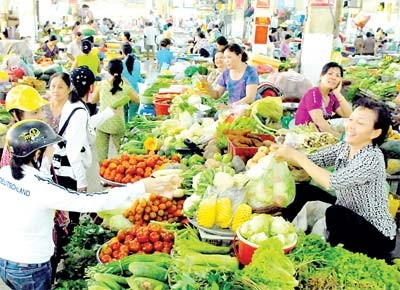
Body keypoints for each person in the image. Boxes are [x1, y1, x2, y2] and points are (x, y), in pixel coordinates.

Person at [0, 119, 181, 290]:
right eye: (49, 148)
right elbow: (89, 201)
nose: (53, 151)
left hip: (6, 260)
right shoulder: (41, 189)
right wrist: (142, 186)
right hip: (31, 267)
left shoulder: (5, 173)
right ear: (37, 153)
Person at [273, 98, 396, 261]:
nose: (350, 126)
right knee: (303, 190)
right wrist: (279, 154)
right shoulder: (345, 147)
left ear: (375, 132)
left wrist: (296, 156)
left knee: (335, 214)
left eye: (360, 123)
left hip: (377, 235)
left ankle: (323, 250)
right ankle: (288, 233)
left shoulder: (372, 158)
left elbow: (331, 181)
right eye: (351, 119)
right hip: (350, 214)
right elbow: (314, 159)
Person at [90, 59, 138, 162]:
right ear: (122, 70)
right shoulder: (125, 87)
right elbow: (137, 100)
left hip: (102, 123)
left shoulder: (102, 85)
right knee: (121, 154)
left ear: (108, 70)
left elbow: (93, 100)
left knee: (101, 156)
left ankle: (103, 175)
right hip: (118, 124)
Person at [295, 62, 352, 138]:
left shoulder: (332, 97)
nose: (333, 77)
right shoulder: (313, 93)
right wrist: (339, 137)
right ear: (321, 76)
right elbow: (318, 121)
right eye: (330, 73)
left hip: (319, 135)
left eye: (337, 75)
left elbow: (348, 115)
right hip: (303, 136)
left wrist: (338, 93)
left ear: (340, 80)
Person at [0, 85, 48, 168]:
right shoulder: (15, 143)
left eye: (42, 110)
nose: (41, 116)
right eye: (35, 112)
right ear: (16, 115)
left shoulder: (34, 134)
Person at [121, 43, 144, 120]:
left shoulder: (120, 64)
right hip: (134, 92)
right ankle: (131, 130)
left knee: (123, 115)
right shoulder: (137, 63)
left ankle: (124, 130)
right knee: (133, 116)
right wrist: (144, 79)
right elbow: (138, 78)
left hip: (123, 92)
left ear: (122, 52)